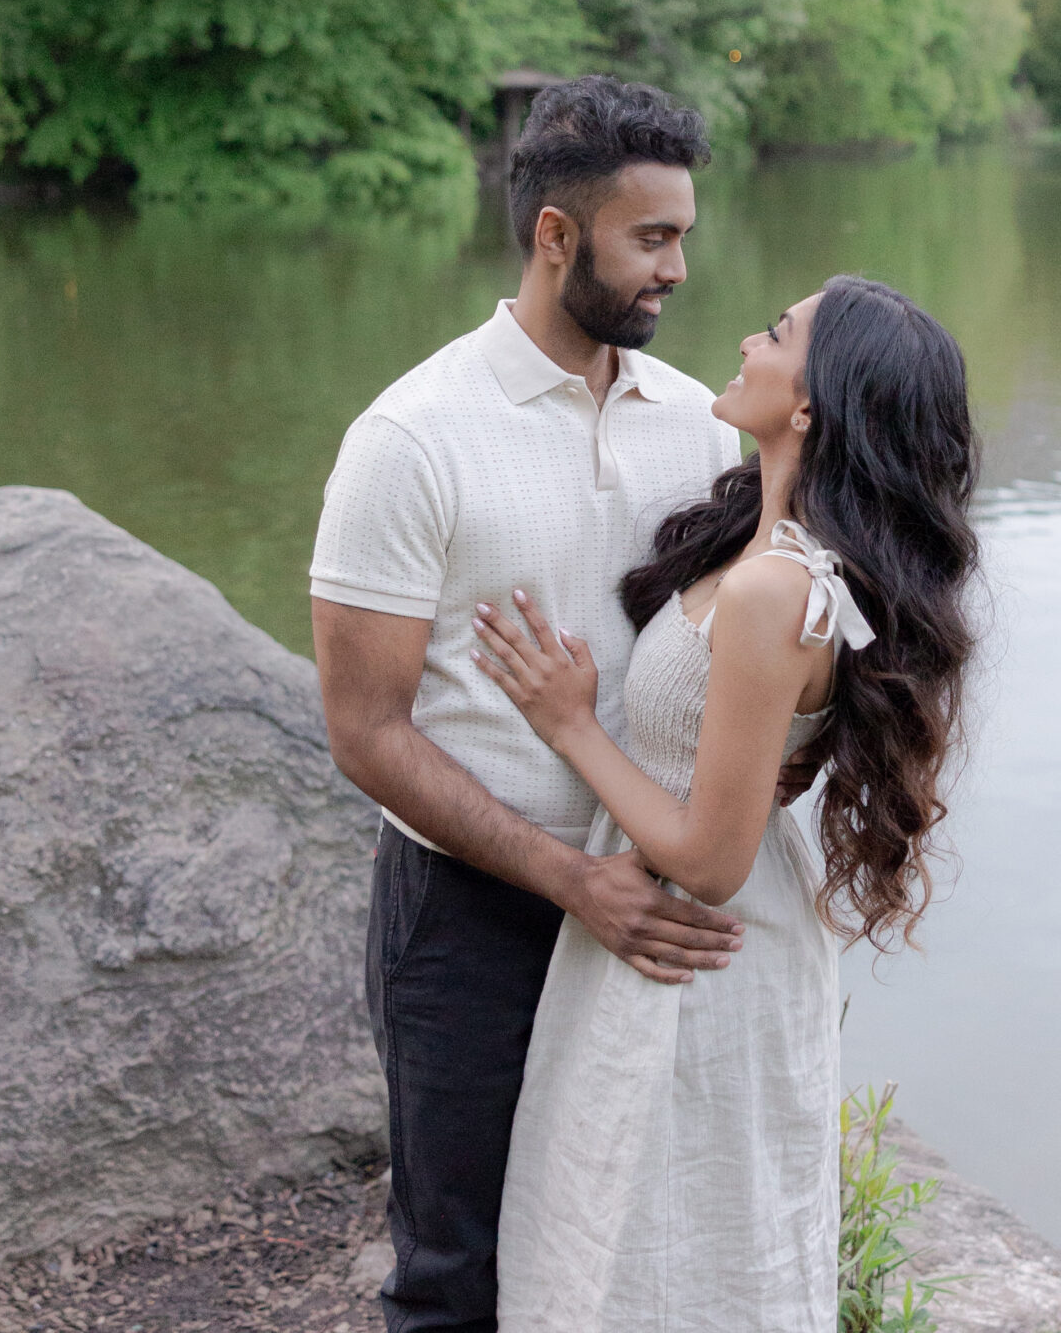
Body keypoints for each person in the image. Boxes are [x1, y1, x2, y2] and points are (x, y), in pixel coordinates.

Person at [310, 75, 742, 1333]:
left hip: (649, 895)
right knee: (456, 1273)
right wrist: (567, 878)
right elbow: (365, 730)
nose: (674, 269)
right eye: (650, 238)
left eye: (682, 239)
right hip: (469, 920)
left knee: (622, 1249)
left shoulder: (700, 426)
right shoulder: (415, 437)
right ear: (557, 235)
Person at [477, 274, 982, 1333]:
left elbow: (710, 856)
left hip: (697, 938)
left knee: (678, 1251)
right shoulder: (771, 550)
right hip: (685, 934)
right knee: (634, 1228)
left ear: (809, 405)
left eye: (779, 332)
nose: (751, 338)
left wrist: (568, 722)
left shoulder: (775, 590)